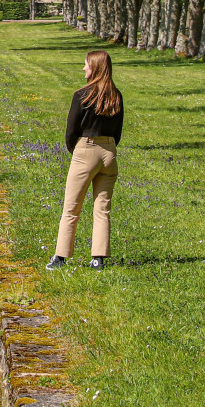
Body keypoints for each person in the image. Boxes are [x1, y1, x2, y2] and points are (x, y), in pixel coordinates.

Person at [46, 49, 124, 270]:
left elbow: (71, 130)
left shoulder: (82, 95)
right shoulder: (116, 95)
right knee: (102, 208)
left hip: (85, 150)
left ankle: (60, 257)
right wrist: (107, 148)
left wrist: (77, 151)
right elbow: (118, 131)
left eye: (86, 65)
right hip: (109, 152)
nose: (84, 68)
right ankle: (98, 259)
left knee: (71, 207)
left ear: (95, 68)